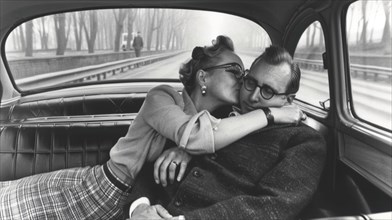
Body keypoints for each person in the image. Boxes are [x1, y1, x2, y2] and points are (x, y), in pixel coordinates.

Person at [0, 36, 304, 219]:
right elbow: (199, 137)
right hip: (106, 184)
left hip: (122, 191)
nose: (243, 81)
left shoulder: (227, 118)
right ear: (203, 78)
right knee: (9, 201)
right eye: (235, 70)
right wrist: (272, 115)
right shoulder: (164, 96)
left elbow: (213, 141)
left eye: (244, 72)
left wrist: (183, 152)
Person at [128, 45, 327, 220]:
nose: (253, 96)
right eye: (250, 83)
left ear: (289, 100)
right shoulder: (214, 117)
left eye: (268, 91)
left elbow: (272, 206)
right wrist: (140, 207)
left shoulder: (304, 141)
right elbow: (150, 171)